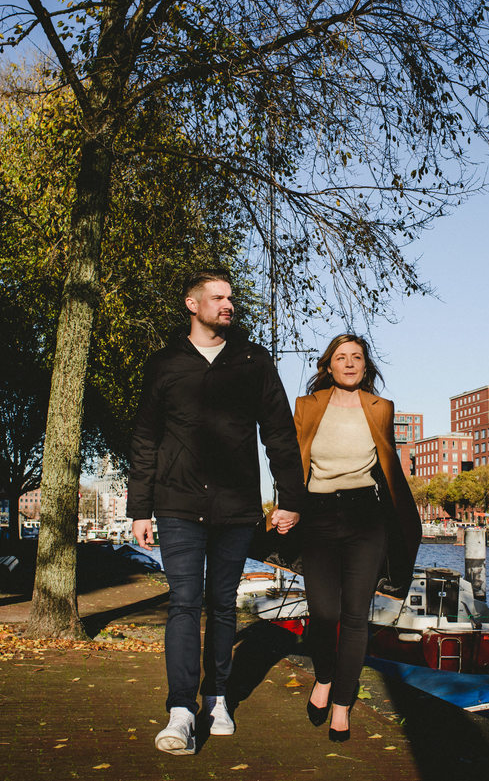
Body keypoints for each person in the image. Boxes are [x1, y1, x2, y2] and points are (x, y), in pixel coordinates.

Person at [128, 270, 305, 755]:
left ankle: (218, 697)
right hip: (178, 503)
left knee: (222, 604)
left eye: (232, 297)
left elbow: (279, 433)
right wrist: (140, 507)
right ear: (192, 303)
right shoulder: (164, 364)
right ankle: (181, 709)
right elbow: (145, 438)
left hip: (235, 505)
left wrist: (289, 499)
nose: (228, 304)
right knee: (184, 602)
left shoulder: (252, 360)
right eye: (218, 297)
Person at [293, 334, 421, 742]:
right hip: (317, 514)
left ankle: (343, 705)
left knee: (354, 616)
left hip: (367, 516)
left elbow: (387, 462)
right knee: (324, 612)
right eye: (341, 358)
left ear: (366, 366)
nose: (349, 364)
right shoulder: (307, 406)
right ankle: (325, 677)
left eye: (357, 358)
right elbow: (291, 457)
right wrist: (285, 504)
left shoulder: (381, 408)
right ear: (327, 365)